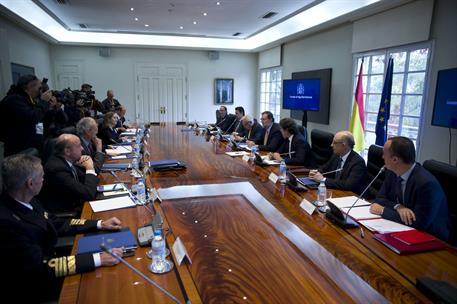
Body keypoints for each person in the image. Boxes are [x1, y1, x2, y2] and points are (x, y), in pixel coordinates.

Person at [0, 154, 123, 302]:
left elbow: (55, 222)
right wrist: (98, 259)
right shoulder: (7, 223)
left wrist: (99, 224)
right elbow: (40, 267)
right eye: (42, 177)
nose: (44, 180)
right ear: (30, 183)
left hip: (51, 260)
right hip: (36, 286)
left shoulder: (26, 200)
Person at [369, 136, 451, 241]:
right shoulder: (392, 172)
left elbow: (419, 222)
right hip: (401, 228)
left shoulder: (426, 184)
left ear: (395, 159)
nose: (382, 157)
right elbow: (380, 199)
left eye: (384, 154)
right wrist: (398, 207)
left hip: (432, 237)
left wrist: (383, 210)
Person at [40, 134, 99, 214]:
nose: (82, 148)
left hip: (78, 205)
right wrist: (89, 168)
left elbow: (87, 179)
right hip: (67, 214)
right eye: (79, 146)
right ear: (67, 151)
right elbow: (88, 193)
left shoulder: (68, 161)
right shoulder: (57, 169)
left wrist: (87, 166)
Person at [0, 75, 54, 156]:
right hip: (19, 151)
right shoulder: (13, 100)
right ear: (29, 87)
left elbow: (39, 121)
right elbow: (32, 118)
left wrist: (50, 108)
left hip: (34, 147)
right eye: (39, 88)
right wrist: (43, 102)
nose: (41, 91)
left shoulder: (30, 100)